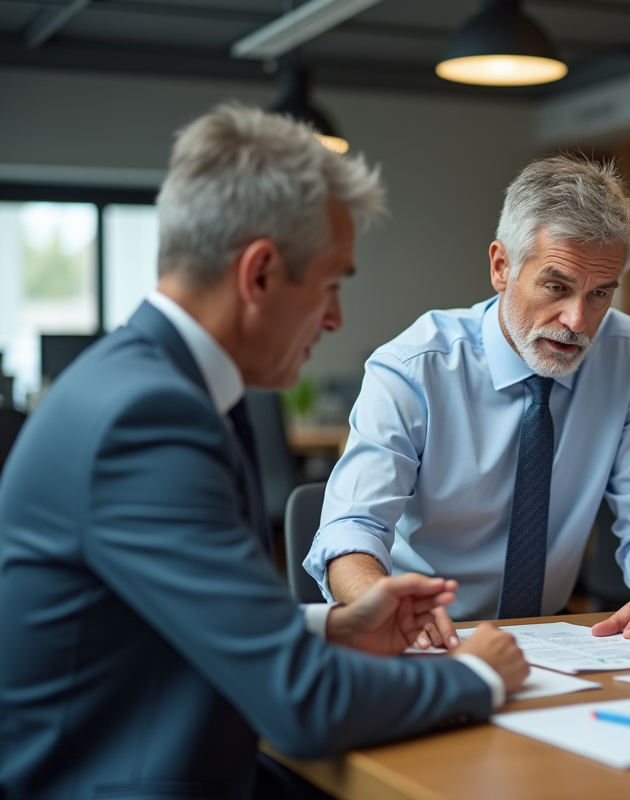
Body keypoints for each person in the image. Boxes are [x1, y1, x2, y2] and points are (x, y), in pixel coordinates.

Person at [0, 104, 528, 800]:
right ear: (259, 274)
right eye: (333, 283)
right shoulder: (147, 419)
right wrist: (478, 673)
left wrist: (335, 626)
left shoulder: (149, 386)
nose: (336, 318)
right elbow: (302, 705)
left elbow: (179, 612)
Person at [305, 154, 630, 644]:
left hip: (555, 635)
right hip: (427, 635)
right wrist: (382, 604)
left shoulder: (628, 353)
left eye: (600, 294)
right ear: (501, 266)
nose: (578, 320)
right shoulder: (413, 367)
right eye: (556, 286)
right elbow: (352, 527)